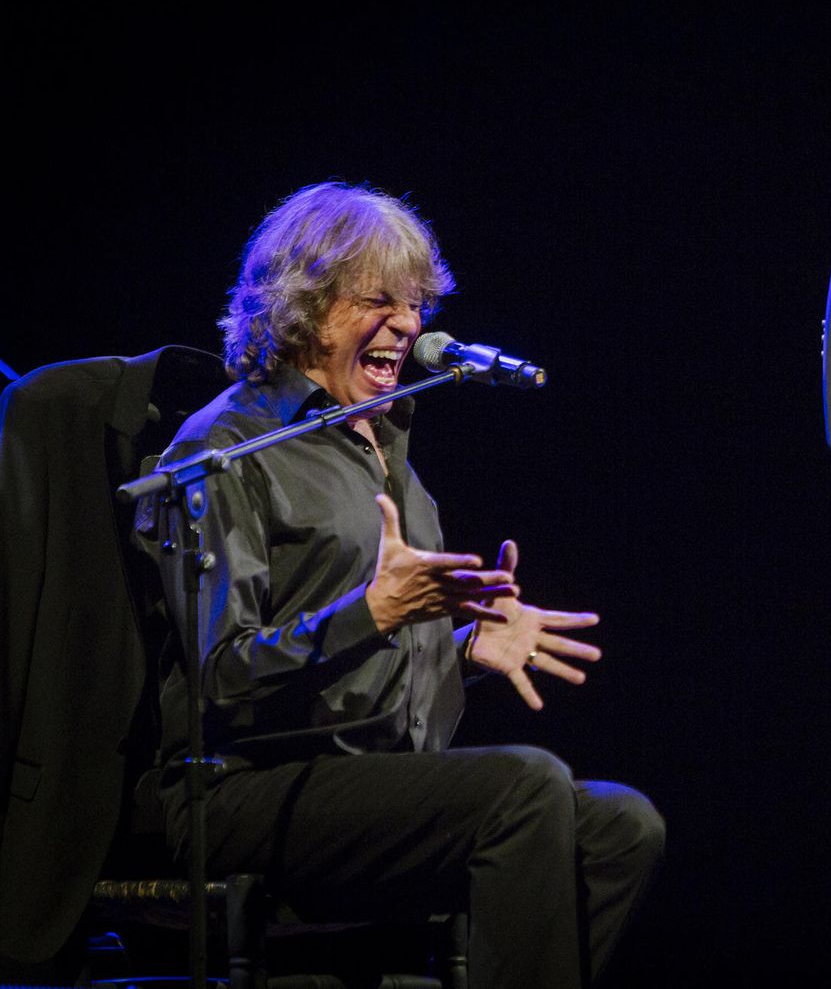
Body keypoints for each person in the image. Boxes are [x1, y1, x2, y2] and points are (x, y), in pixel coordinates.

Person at [148, 181, 664, 989]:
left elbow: (369, 646)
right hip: (236, 790)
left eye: (417, 303)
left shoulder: (380, 450)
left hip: (361, 779)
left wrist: (461, 649)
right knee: (524, 786)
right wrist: (375, 613)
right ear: (303, 306)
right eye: (379, 300)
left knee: (622, 825)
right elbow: (220, 677)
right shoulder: (223, 449)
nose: (410, 325)